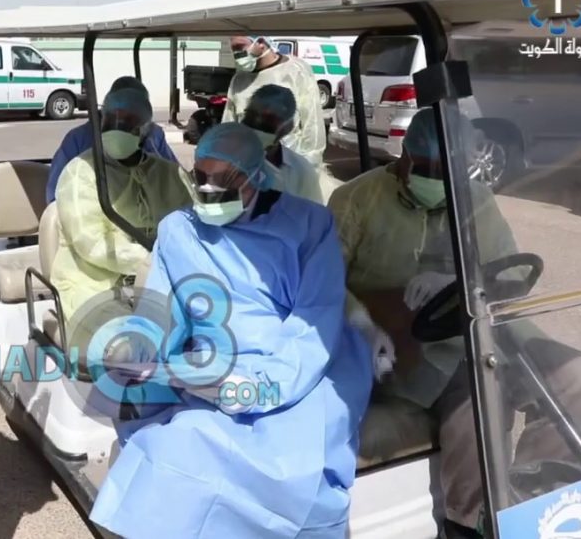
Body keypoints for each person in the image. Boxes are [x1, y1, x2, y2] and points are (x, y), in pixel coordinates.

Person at [88, 122, 374, 538]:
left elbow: (316, 317)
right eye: (200, 177)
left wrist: (258, 386)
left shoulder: (310, 226)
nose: (208, 190)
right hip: (211, 365)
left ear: (256, 176)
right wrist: (141, 349)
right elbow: (164, 313)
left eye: (224, 181)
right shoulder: (179, 230)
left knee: (293, 471)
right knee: (175, 445)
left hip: (301, 368)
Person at [328, 108, 581, 538]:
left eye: (447, 172)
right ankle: (468, 523)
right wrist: (361, 323)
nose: (437, 180)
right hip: (398, 341)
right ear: (404, 158)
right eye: (427, 169)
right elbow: (324, 280)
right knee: (479, 396)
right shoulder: (356, 200)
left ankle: (542, 502)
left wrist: (459, 279)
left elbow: (511, 272)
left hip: (478, 325)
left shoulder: (474, 198)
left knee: (577, 374)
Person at [52, 86, 192, 332]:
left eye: (127, 123)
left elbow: (190, 227)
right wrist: (150, 262)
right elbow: (91, 244)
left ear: (145, 130)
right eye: (110, 121)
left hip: (161, 281)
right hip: (93, 286)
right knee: (132, 342)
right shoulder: (80, 173)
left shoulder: (169, 174)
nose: (117, 129)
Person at [45, 76, 178, 203]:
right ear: (104, 116)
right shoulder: (79, 139)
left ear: (144, 123)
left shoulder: (153, 135)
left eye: (130, 120)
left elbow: (176, 179)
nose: (120, 125)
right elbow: (55, 194)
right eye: (113, 118)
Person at [222, 36, 326, 169]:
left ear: (260, 42)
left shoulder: (296, 71)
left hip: (289, 168)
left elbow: (312, 123)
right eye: (233, 49)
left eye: (239, 47)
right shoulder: (239, 79)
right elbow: (229, 125)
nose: (236, 54)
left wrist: (309, 167)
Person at [240, 83, 324, 203]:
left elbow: (314, 213)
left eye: (268, 120)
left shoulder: (302, 173)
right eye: (250, 116)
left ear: (288, 127)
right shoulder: (220, 162)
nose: (256, 124)